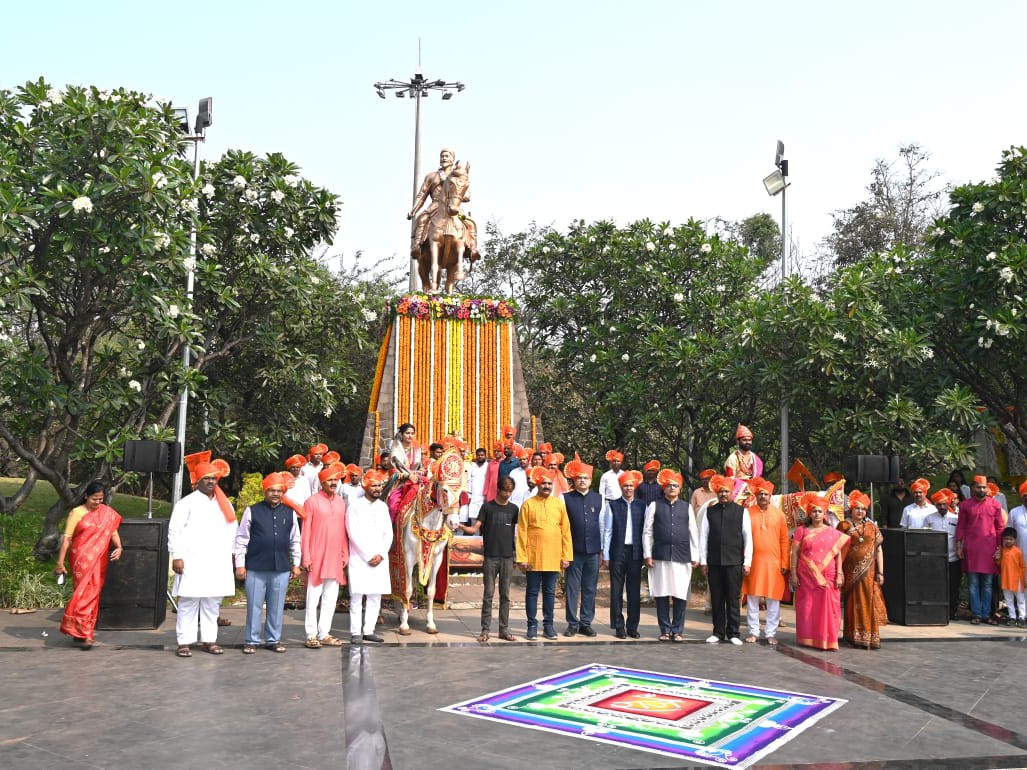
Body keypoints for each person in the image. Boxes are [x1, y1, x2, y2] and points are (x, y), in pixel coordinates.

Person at [169, 452, 238, 657]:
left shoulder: (224, 504)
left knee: (212, 602)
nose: (210, 481)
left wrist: (233, 554)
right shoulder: (186, 503)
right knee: (189, 602)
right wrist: (177, 556)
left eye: (213, 478)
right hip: (192, 561)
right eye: (206, 478)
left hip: (217, 561)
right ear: (198, 480)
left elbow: (233, 530)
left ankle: (210, 640)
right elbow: (174, 530)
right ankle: (184, 642)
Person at [234, 472, 302, 654]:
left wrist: (296, 563)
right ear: (265, 491)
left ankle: (273, 639)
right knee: (254, 605)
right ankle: (252, 640)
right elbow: (241, 539)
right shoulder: (252, 510)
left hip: (281, 567)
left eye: (279, 491)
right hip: (256, 567)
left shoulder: (290, 513)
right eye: (272, 490)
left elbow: (295, 539)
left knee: (277, 606)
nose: (275, 494)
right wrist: (240, 564)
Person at [54, 481, 123, 648]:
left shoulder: (107, 513)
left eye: (101, 499)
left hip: (99, 560)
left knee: (93, 594)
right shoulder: (76, 513)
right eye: (94, 499)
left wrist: (120, 547)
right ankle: (85, 634)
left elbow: (113, 531)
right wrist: (60, 562)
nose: (98, 502)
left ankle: (82, 631)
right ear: (86, 496)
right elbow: (67, 539)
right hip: (81, 560)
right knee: (84, 595)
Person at [515, 468, 572, 640]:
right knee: (532, 592)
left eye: (549, 483)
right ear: (538, 485)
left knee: (549, 592)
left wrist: (566, 556)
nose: (546, 486)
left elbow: (566, 531)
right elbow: (522, 531)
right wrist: (522, 557)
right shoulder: (528, 504)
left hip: (553, 556)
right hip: (533, 556)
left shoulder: (558, 504)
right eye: (543, 483)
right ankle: (531, 626)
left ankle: (549, 626)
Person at [644, 469, 698, 642]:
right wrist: (647, 554)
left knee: (680, 594)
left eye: (675, 485)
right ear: (664, 488)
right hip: (660, 556)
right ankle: (665, 629)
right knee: (661, 593)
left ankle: (678, 630)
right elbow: (647, 532)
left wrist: (695, 555)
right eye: (669, 485)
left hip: (682, 557)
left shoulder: (687, 507)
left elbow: (693, 532)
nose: (672, 488)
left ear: (680, 489)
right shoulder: (654, 505)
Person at [789, 493, 848, 650]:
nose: (817, 514)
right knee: (807, 607)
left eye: (820, 511)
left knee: (830, 608)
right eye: (814, 511)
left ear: (824, 513)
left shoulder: (832, 532)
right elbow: (794, 553)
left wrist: (840, 574)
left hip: (829, 575)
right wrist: (793, 574)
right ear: (810, 513)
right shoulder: (801, 531)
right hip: (806, 577)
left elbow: (838, 554)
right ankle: (808, 638)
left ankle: (828, 640)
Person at [700, 474, 753, 645]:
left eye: (727, 491)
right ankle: (718, 632)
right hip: (714, 562)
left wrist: (747, 562)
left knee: (732, 598)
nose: (723, 494)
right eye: (721, 491)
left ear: (732, 493)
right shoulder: (710, 511)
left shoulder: (741, 512)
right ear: (717, 492)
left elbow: (748, 538)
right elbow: (703, 537)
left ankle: (734, 633)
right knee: (717, 598)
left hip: (734, 562)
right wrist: (703, 561)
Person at [465, 476, 519, 642]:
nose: (508, 494)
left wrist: (518, 554)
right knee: (488, 594)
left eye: (510, 491)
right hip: (490, 557)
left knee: (506, 595)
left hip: (508, 557)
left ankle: (504, 629)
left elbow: (516, 533)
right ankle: (485, 629)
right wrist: (461, 527)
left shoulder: (514, 509)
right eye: (505, 490)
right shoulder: (487, 508)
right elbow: (475, 528)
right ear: (498, 489)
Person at [302, 462, 349, 648]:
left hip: (335, 557)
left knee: (330, 598)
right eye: (329, 480)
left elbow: (343, 530)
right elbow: (305, 531)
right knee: (313, 597)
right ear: (321, 482)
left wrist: (345, 553)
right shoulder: (312, 501)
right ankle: (311, 634)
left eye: (336, 479)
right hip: (317, 556)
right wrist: (306, 557)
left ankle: (324, 633)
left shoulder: (340, 502)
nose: (333, 482)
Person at [346, 470, 393, 644]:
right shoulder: (355, 506)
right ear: (365, 487)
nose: (377, 489)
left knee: (375, 596)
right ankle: (355, 632)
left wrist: (381, 554)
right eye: (374, 485)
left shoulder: (383, 507)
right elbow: (353, 533)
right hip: (360, 558)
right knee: (357, 596)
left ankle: (369, 630)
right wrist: (368, 555)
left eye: (379, 485)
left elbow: (388, 533)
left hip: (379, 558)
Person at [741, 477, 789, 646]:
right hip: (754, 562)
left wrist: (785, 563)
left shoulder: (779, 515)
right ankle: (753, 632)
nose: (763, 497)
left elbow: (784, 540)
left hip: (774, 563)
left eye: (766, 494)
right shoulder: (748, 512)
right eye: (760, 494)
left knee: (773, 598)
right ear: (756, 495)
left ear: (771, 496)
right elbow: (743, 538)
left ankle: (770, 632)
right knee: (752, 598)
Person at [837, 490, 886, 649]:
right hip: (849, 572)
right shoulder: (843, 525)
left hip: (868, 572)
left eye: (863, 509)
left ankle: (868, 636)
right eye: (857, 508)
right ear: (851, 509)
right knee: (852, 602)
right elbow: (836, 549)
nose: (860, 511)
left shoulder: (872, 527)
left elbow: (878, 549)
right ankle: (852, 636)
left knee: (867, 601)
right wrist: (838, 570)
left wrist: (881, 572)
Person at [601, 470, 646, 639]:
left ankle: (632, 626)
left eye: (630, 486)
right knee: (616, 591)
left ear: (634, 487)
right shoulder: (613, 505)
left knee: (634, 592)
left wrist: (646, 553)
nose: (628, 488)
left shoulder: (642, 506)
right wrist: (606, 554)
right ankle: (619, 626)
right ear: (621, 487)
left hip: (635, 553)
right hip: (617, 552)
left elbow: (646, 532)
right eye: (625, 486)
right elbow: (608, 531)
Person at [562, 455, 603, 637]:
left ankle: (586, 622)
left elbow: (604, 526)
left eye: (585, 478)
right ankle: (572, 623)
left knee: (589, 588)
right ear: (574, 480)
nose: (582, 481)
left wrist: (603, 552)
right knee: (572, 587)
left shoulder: (599, 499)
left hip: (593, 551)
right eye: (579, 478)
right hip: (573, 551)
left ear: (590, 480)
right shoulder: (565, 499)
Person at [956, 475, 1006, 624]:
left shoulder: (995, 505)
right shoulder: (965, 505)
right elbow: (961, 527)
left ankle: (986, 614)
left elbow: (1000, 528)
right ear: (973, 488)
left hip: (990, 549)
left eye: (984, 487)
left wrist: (999, 548)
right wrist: (959, 546)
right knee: (973, 583)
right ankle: (976, 614)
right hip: (971, 549)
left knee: (988, 584)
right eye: (979, 487)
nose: (981, 489)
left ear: (988, 488)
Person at [407, 148, 470, 258]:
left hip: (453, 206)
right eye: (442, 156)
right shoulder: (431, 176)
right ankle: (416, 246)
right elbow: (422, 194)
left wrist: (459, 196)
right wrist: (414, 209)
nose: (444, 158)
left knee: (469, 222)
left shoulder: (457, 176)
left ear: (452, 159)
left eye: (447, 156)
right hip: (435, 205)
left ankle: (471, 248)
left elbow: (467, 194)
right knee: (421, 220)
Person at [927, 489, 962, 619]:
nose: (942, 507)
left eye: (944, 504)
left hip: (953, 558)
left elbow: (960, 537)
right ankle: (937, 611)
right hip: (935, 559)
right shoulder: (929, 518)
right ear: (935, 505)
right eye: (939, 505)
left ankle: (952, 612)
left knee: (954, 586)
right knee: (937, 585)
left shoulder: (956, 518)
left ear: (948, 504)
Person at [385, 423, 423, 520]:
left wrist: (421, 471)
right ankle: (393, 531)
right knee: (393, 506)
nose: (410, 436)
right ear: (401, 435)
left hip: (417, 482)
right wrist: (408, 475)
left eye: (412, 433)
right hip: (399, 484)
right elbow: (394, 470)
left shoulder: (417, 451)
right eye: (407, 433)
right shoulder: (395, 450)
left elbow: (421, 467)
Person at [998, 527, 1026, 627]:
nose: (1008, 541)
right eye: (1006, 539)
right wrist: (997, 558)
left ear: (1015, 540)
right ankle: (1012, 617)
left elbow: (1023, 566)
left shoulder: (1018, 551)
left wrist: (1023, 580)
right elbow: (999, 563)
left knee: (1020, 599)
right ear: (1003, 539)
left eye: (1011, 539)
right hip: (1005, 579)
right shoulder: (1002, 550)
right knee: (1008, 600)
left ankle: (1022, 617)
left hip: (1017, 580)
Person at [466, 447, 489, 526]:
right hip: (474, 497)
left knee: (485, 521)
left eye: (482, 455)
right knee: (474, 521)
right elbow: (468, 481)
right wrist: (469, 495)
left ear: (485, 456)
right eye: (478, 455)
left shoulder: (488, 467)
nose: (480, 457)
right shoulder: (472, 466)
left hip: (484, 497)